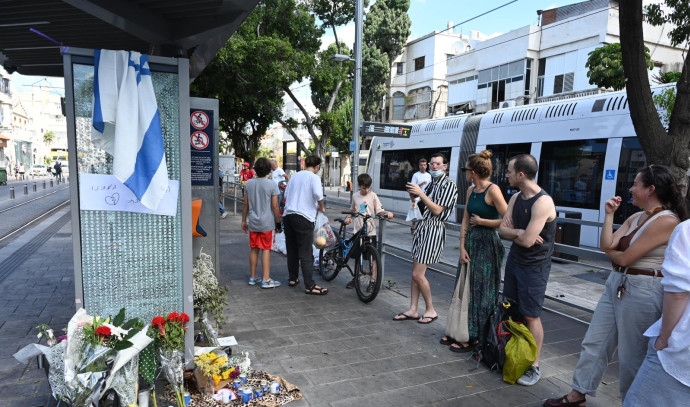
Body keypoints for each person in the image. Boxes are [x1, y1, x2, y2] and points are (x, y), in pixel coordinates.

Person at [545, 164, 686, 406]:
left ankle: (630, 401)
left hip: (644, 287)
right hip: (617, 282)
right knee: (595, 342)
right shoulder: (636, 216)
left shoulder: (668, 220)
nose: (630, 189)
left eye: (635, 184)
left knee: (633, 355)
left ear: (650, 189)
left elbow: (625, 256)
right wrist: (609, 214)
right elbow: (606, 245)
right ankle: (577, 395)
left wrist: (616, 253)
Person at [499, 154, 557, 387]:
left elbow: (525, 240)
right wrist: (520, 233)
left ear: (521, 174)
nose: (507, 175)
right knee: (512, 308)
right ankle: (516, 354)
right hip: (515, 262)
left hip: (534, 267)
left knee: (532, 315)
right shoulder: (515, 198)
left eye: (509, 172)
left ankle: (534, 365)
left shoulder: (543, 202)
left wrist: (519, 234)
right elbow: (504, 231)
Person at [441, 150, 508, 352]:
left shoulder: (493, 190)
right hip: (471, 242)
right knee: (465, 288)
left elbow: (507, 220)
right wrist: (461, 247)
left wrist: (482, 221)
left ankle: (476, 336)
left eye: (466, 170)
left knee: (482, 291)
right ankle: (461, 330)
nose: (465, 173)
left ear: (474, 172)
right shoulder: (471, 190)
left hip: (488, 244)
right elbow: (464, 221)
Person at [624, 219, 690, 407]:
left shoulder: (685, 229)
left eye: (635, 186)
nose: (631, 189)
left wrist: (665, 338)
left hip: (681, 352)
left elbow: (678, 292)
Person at [394, 153, 458, 324]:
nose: (434, 167)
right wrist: (413, 195)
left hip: (433, 229)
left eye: (438, 164)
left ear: (445, 166)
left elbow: (438, 210)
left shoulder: (449, 185)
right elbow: (421, 205)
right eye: (432, 164)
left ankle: (431, 309)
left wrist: (421, 194)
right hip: (422, 226)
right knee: (415, 273)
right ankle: (413, 308)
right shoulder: (431, 184)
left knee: (418, 274)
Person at [282, 155, 328, 295]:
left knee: (292, 249)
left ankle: (293, 278)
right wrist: (321, 207)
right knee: (305, 252)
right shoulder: (314, 177)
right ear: (317, 166)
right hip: (303, 218)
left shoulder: (295, 176)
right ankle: (310, 285)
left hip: (288, 216)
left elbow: (285, 196)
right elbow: (318, 195)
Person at [343, 173, 394, 290]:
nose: (366, 190)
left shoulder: (373, 196)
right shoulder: (355, 196)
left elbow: (379, 210)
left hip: (370, 231)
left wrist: (387, 213)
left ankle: (372, 280)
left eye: (368, 187)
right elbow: (352, 210)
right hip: (358, 230)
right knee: (357, 256)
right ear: (359, 186)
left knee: (373, 257)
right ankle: (356, 278)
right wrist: (349, 217)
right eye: (364, 188)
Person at [242, 157, 282, 288]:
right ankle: (266, 279)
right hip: (267, 223)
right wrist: (278, 223)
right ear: (268, 169)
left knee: (254, 249)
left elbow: (246, 204)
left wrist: (243, 220)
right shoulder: (272, 184)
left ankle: (253, 277)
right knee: (266, 249)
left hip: (253, 221)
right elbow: (275, 206)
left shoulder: (249, 183)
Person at [409, 158, 432, 234]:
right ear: (419, 166)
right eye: (421, 165)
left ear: (426, 166)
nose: (423, 166)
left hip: (426, 197)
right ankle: (413, 227)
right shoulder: (416, 175)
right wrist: (421, 184)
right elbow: (413, 186)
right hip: (417, 197)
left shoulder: (429, 175)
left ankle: (422, 228)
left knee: (424, 213)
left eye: (424, 165)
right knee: (415, 214)